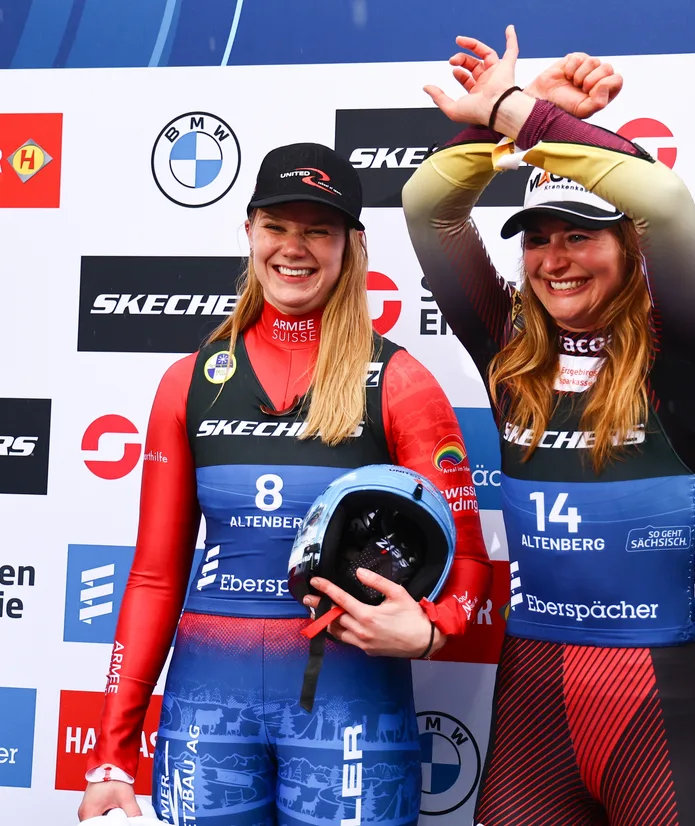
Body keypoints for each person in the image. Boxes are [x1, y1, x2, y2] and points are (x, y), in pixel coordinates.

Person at [392, 26, 695, 826]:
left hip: (658, 707)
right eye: (539, 240)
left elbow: (660, 199)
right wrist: (509, 125)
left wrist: (523, 113)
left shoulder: (680, 358)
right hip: (532, 708)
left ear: (627, 251)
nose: (556, 259)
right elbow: (428, 206)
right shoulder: (508, 353)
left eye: (580, 236)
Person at [77, 143, 492, 825]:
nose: (293, 248)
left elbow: (468, 559)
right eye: (276, 226)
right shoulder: (189, 382)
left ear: (351, 245)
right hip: (207, 707)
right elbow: (154, 577)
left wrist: (433, 628)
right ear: (249, 233)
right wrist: (113, 752)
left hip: (351, 702)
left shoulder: (400, 382)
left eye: (317, 230)